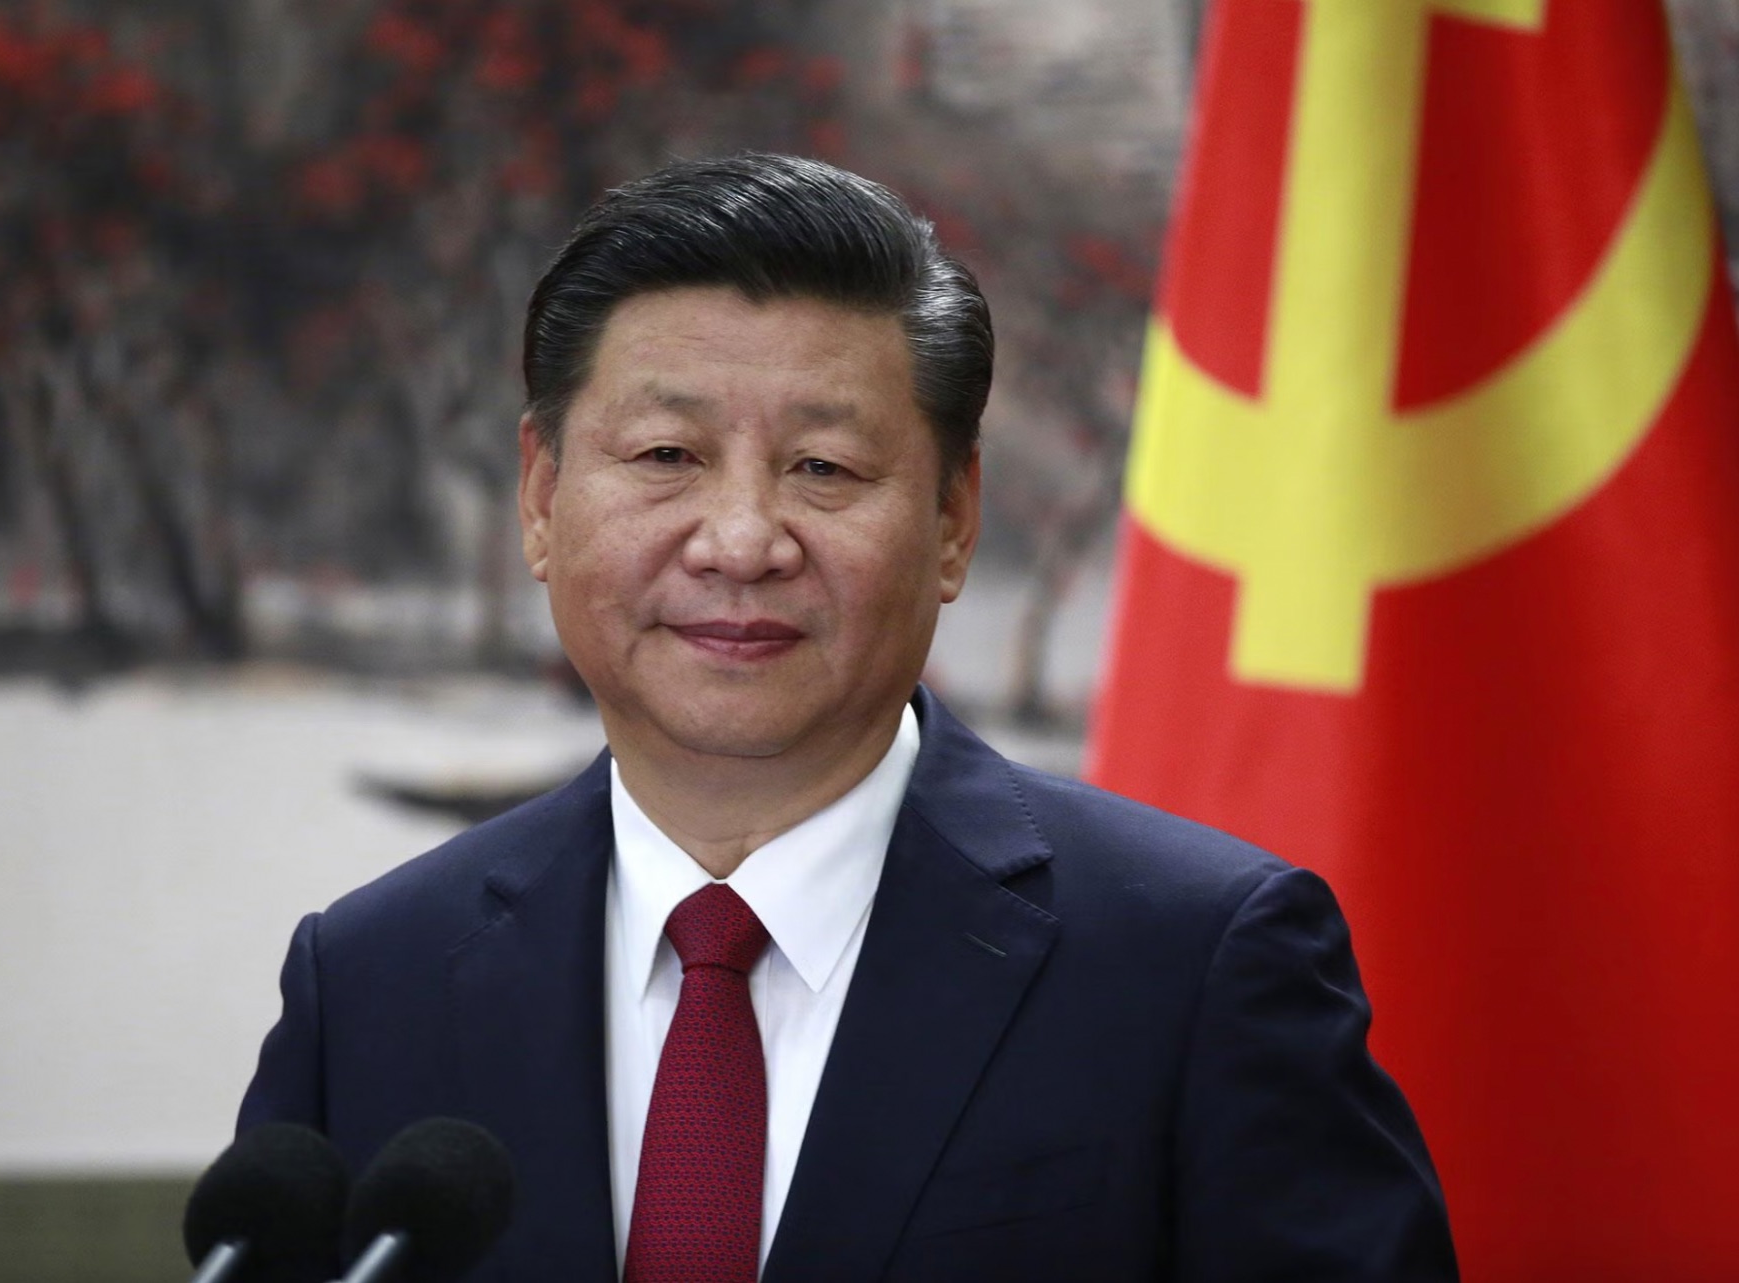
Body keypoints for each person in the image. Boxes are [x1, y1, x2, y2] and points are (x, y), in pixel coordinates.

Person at [238, 153, 1457, 1282]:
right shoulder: (373, 982)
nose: (741, 541)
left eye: (825, 469)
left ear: (951, 522)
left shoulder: (1199, 962)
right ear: (544, 498)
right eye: (666, 453)